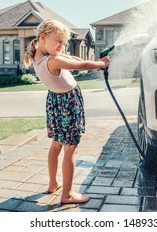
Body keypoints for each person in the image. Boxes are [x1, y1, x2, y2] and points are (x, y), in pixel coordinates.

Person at [23, 19, 110, 204]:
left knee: (57, 144)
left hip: (56, 102)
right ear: (43, 37)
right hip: (68, 103)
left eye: (64, 42)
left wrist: (93, 60)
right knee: (71, 148)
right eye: (59, 41)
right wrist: (101, 64)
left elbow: (74, 59)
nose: (62, 46)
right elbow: (82, 66)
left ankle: (53, 183)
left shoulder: (40, 58)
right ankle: (68, 194)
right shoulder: (53, 60)